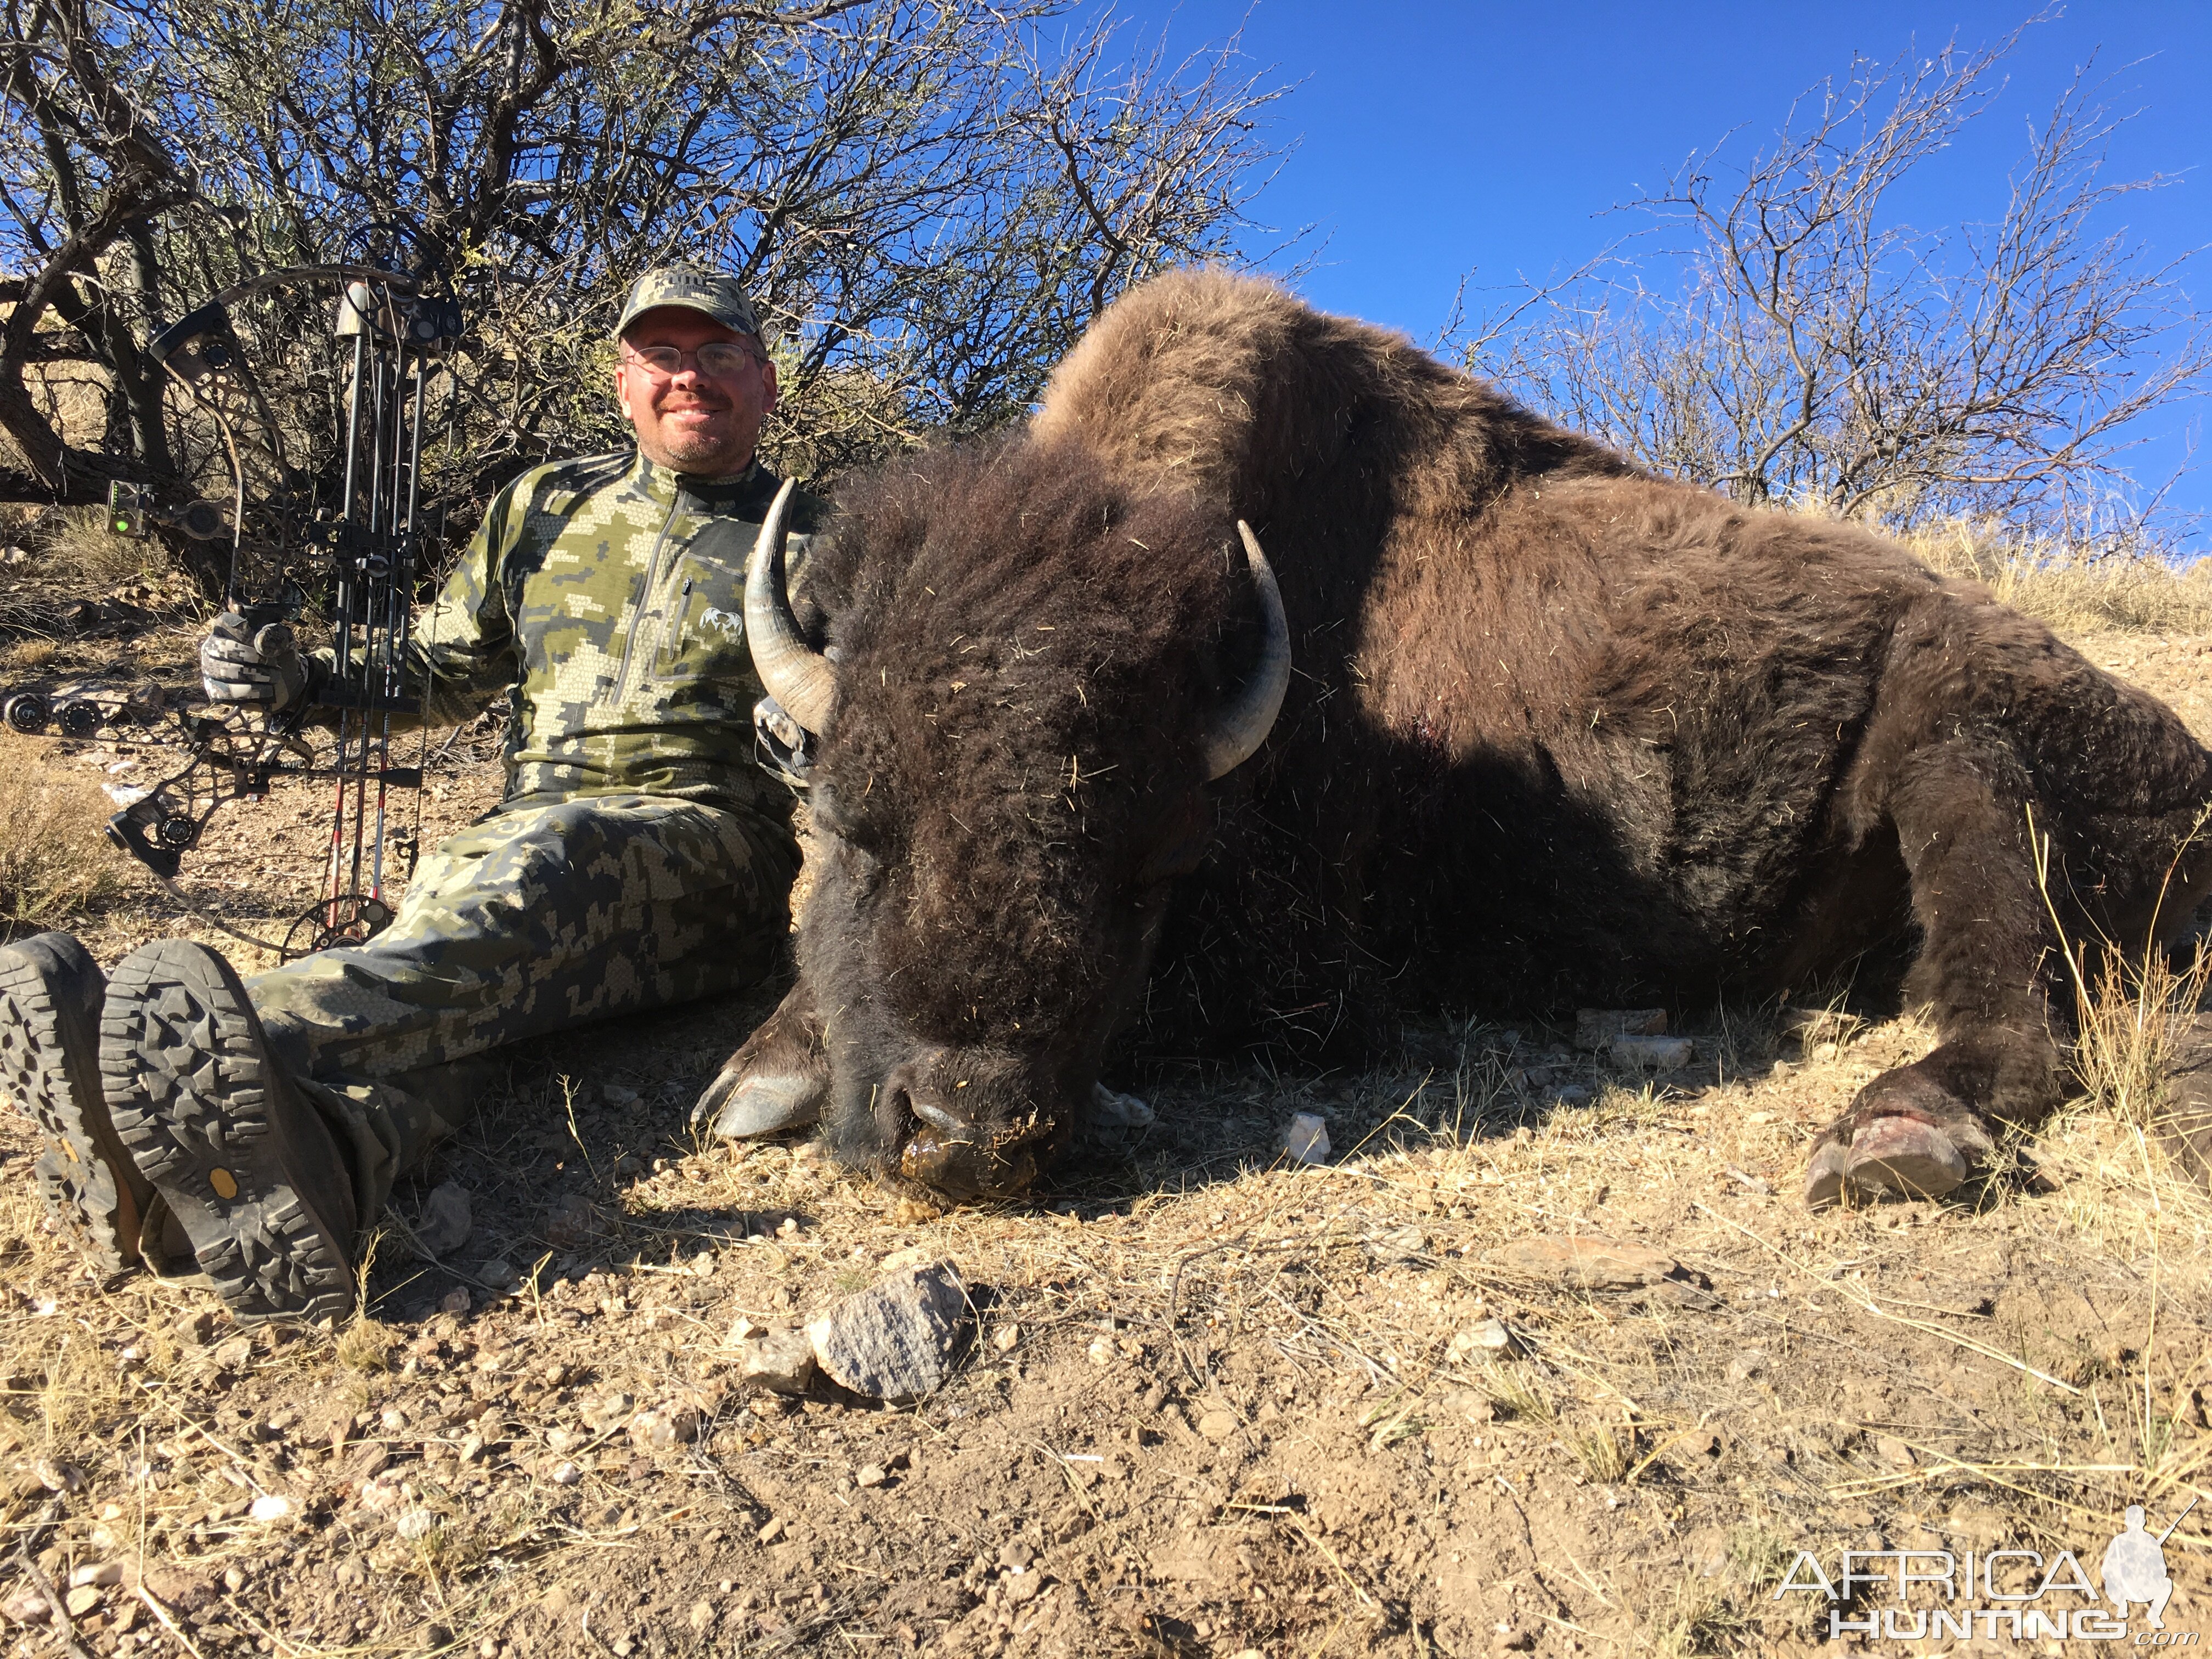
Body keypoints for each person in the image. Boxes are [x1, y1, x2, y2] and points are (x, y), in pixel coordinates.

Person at [0, 265, 821, 1325]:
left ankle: (200, 1040)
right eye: (662, 356)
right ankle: (311, 1167)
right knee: (469, 987)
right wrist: (301, 681)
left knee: (535, 873)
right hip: (514, 847)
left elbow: (878, 742)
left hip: (710, 853)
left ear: (763, 380)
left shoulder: (829, 537)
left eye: (716, 357)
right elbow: (435, 669)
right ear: (624, 382)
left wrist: (811, 747)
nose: (688, 378)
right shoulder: (542, 506)